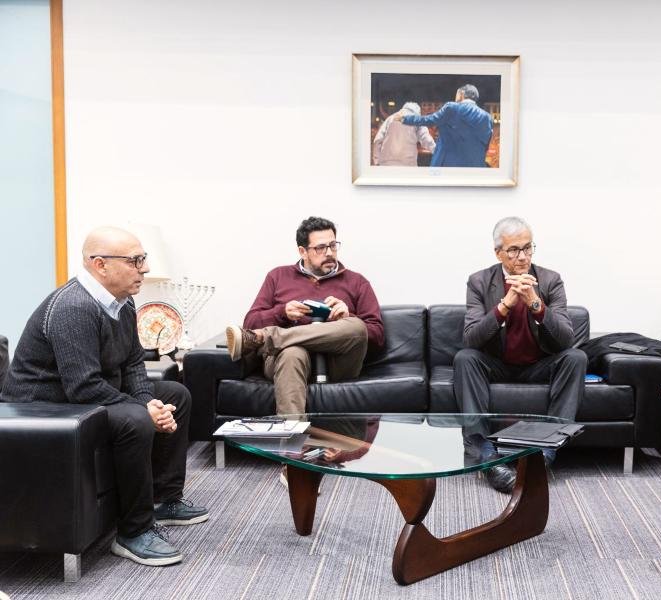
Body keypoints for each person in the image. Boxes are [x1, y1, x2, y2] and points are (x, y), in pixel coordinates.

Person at [0, 226, 208, 567]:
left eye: (143, 259)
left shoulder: (123, 304)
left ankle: (165, 497)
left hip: (80, 396)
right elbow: (83, 387)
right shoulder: (73, 306)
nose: (144, 268)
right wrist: (142, 411)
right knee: (135, 419)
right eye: (135, 260)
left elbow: (133, 364)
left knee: (176, 394)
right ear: (100, 265)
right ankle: (133, 532)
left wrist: (149, 402)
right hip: (45, 407)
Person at [454, 216, 586, 493]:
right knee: (465, 358)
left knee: (576, 358)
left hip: (539, 363)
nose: (522, 257)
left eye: (528, 248)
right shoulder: (479, 282)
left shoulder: (550, 280)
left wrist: (536, 304)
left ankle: (545, 454)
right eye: (514, 250)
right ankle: (487, 457)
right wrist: (505, 305)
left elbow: (566, 339)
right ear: (498, 252)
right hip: (497, 364)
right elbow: (472, 338)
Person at [226, 216, 384, 417]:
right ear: (303, 251)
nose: (329, 253)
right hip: (287, 359)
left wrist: (346, 316)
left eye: (333, 246)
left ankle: (267, 337)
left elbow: (377, 335)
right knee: (292, 353)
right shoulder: (278, 276)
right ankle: (292, 442)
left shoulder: (357, 282)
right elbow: (251, 322)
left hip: (338, 362)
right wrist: (282, 313)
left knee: (357, 327)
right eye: (320, 248)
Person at [399, 84, 493, 168]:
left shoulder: (452, 108)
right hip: (475, 166)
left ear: (461, 94)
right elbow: (486, 144)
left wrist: (405, 118)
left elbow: (429, 120)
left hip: (447, 165)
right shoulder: (487, 117)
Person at [372, 102, 435, 166]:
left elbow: (377, 140)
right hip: (407, 164)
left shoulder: (390, 118)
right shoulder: (416, 119)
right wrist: (437, 152)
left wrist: (376, 160)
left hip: (386, 164)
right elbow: (426, 139)